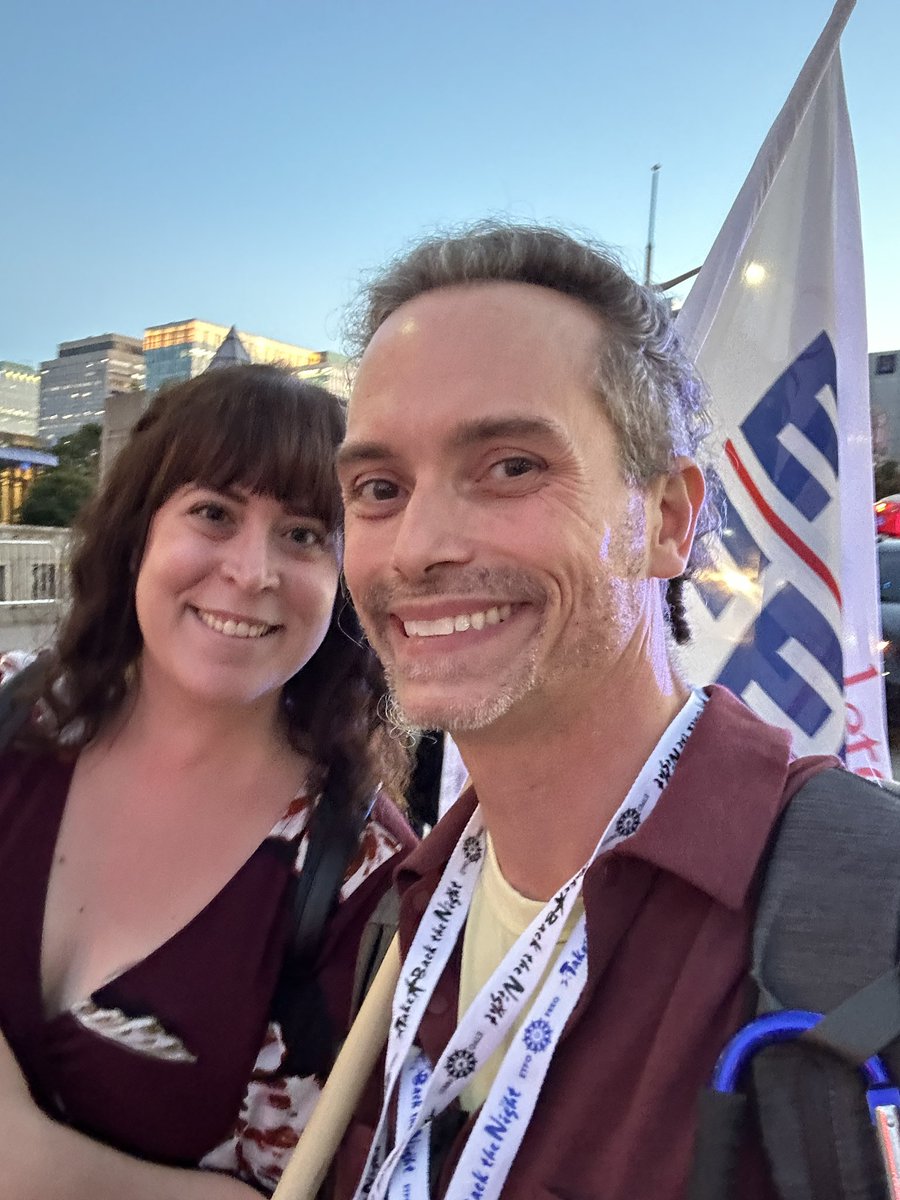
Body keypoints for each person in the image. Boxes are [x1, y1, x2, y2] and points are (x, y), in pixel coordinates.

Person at [329, 222, 844, 1199]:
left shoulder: (866, 921)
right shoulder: (398, 920)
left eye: (512, 466)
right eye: (379, 488)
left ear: (667, 518)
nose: (417, 548)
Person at [0, 364, 415, 1198]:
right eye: (214, 513)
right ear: (137, 534)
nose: (251, 570)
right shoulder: (12, 721)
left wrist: (36, 1166)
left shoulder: (364, 883)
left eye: (303, 534)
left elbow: (311, 1184)